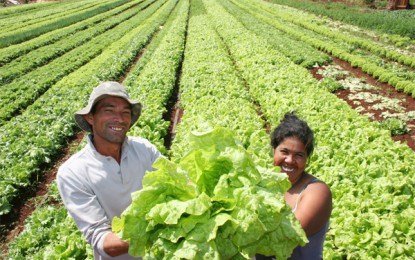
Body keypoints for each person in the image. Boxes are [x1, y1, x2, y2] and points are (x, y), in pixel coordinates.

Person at [57, 81, 162, 259]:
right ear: (91, 117)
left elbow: (179, 181)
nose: (119, 119)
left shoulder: (145, 148)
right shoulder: (73, 172)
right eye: (109, 110)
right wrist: (160, 230)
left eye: (125, 112)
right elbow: (103, 241)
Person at [257, 112, 332, 260]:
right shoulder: (264, 184)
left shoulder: (317, 192)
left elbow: (286, 237)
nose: (290, 160)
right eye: (284, 152)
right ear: (274, 150)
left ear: (307, 158)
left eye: (299, 155)